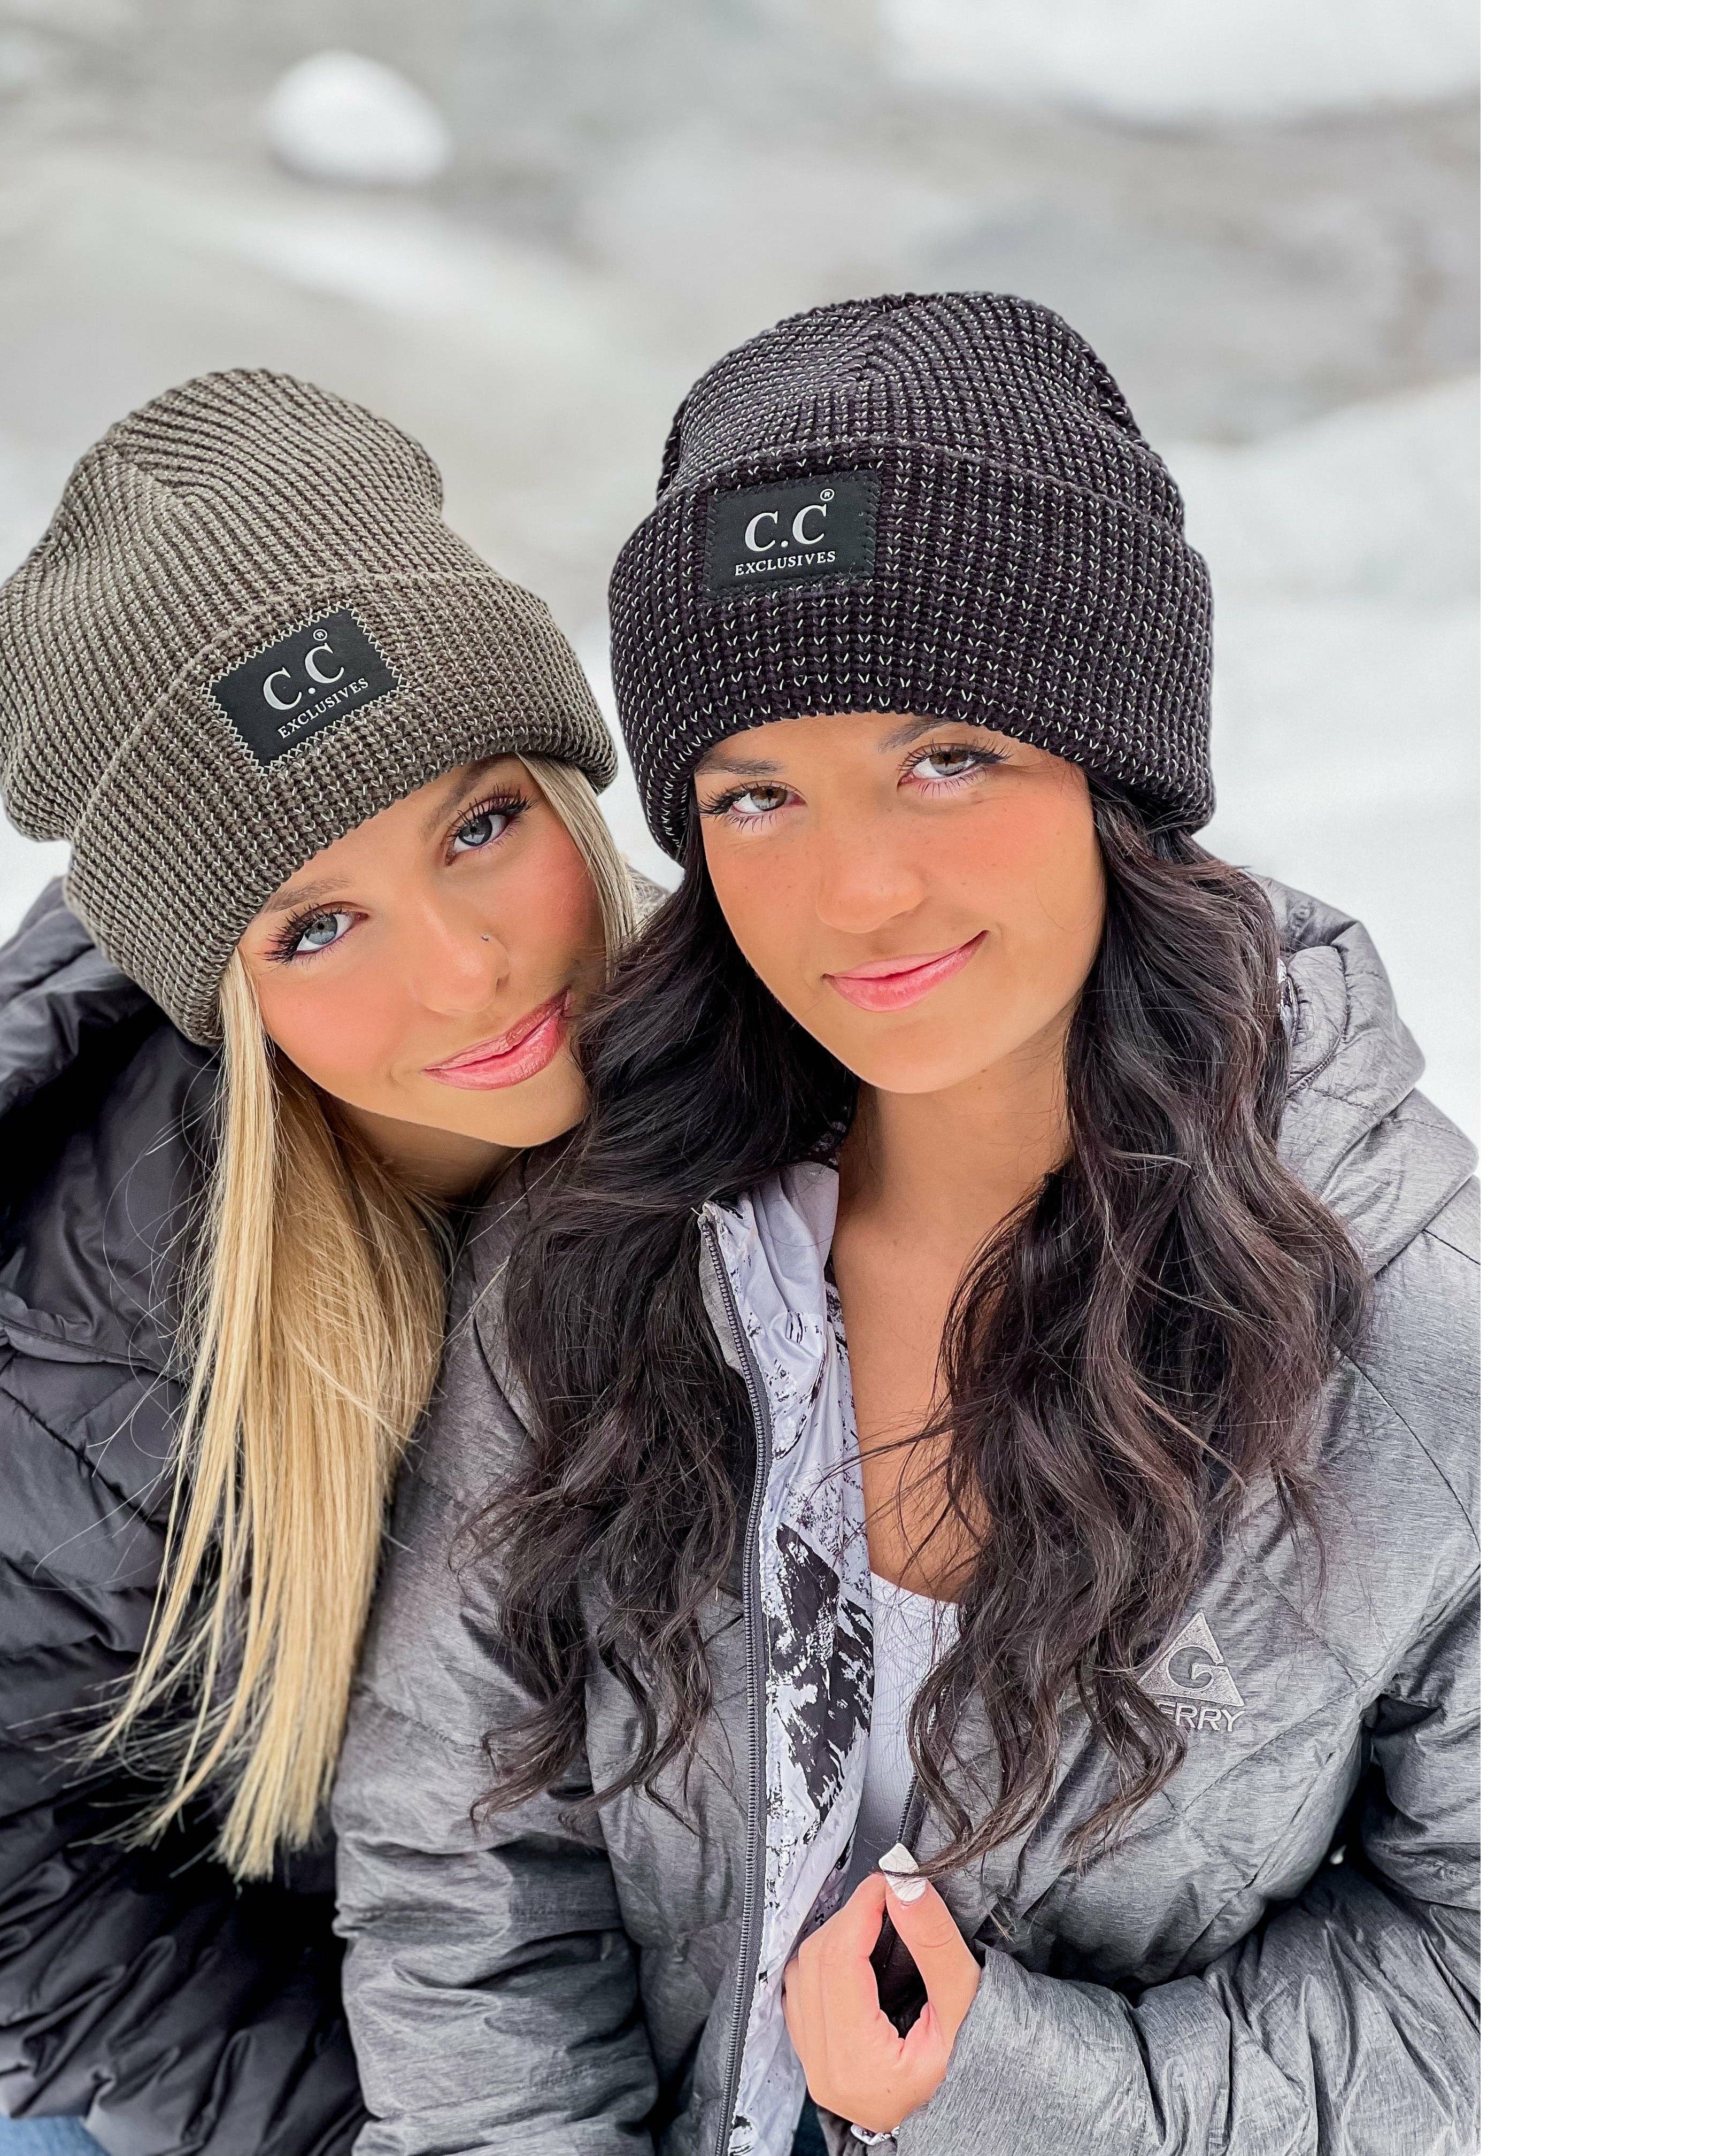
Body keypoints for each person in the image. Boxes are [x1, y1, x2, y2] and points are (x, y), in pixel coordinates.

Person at [332, 294, 1479, 2156]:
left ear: (1113, 773)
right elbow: (459, 1870)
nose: (857, 891)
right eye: (757, 795)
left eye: (946, 758)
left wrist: (1006, 2087)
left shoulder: (1421, 1323)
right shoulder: (612, 1243)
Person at [0, 370, 638, 2155]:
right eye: (319, 924)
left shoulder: (776, 1083)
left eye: (480, 825)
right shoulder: (64, 1400)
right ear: (216, 987)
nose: (465, 969)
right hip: (95, 2045)